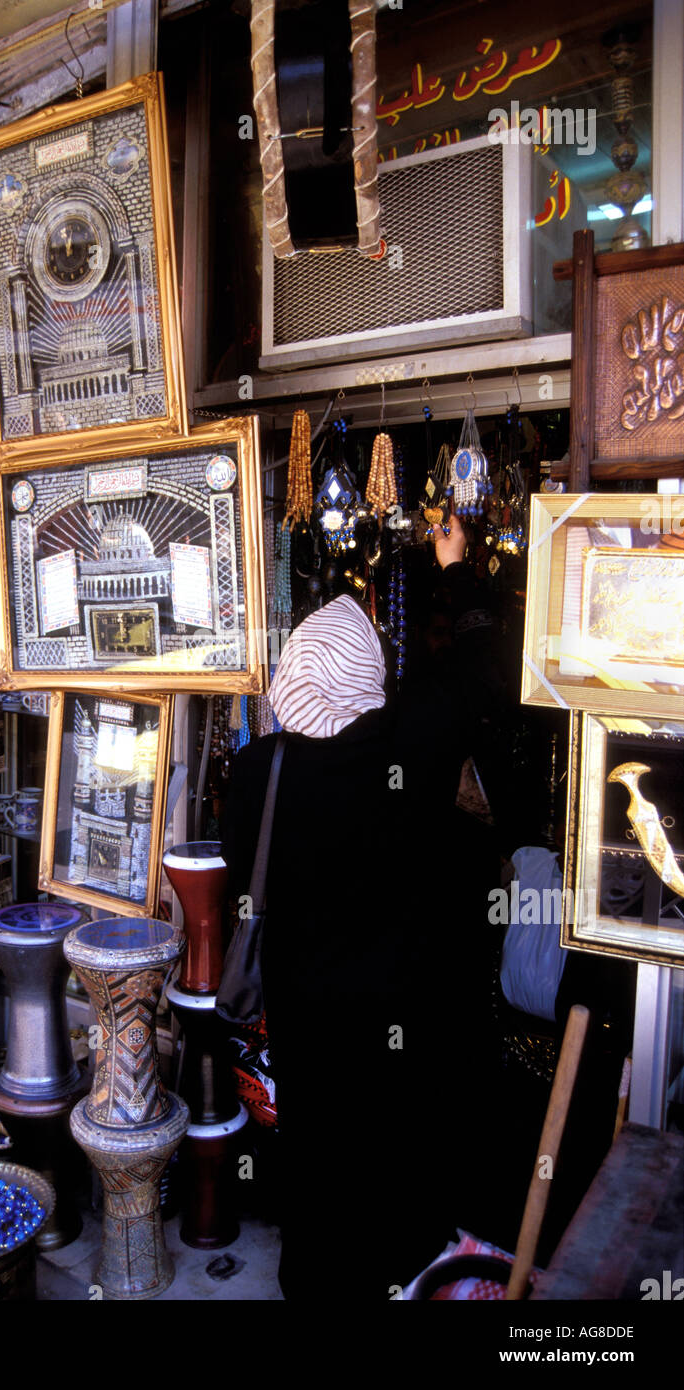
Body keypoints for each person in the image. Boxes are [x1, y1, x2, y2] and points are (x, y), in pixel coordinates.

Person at [221, 515, 505, 1300]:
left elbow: (248, 877)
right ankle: (392, 1267)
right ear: (365, 678)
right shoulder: (407, 744)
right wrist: (454, 565)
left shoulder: (255, 770)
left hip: (300, 998)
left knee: (313, 1131)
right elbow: (486, 668)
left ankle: (313, 1277)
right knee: (390, 1132)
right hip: (393, 1001)